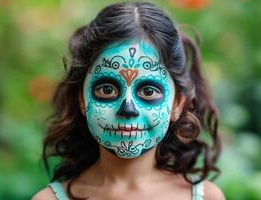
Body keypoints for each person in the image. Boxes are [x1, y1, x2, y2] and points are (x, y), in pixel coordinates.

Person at [32, 2, 225, 200]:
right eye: (107, 89)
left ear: (177, 104)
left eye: (149, 91)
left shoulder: (206, 197)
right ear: (82, 99)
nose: (128, 109)